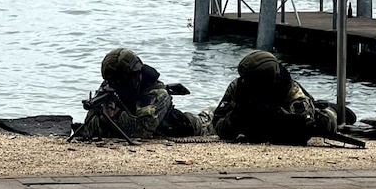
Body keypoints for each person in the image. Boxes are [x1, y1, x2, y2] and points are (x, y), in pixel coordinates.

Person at [211, 50, 354, 145]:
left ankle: (333, 109)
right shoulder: (238, 88)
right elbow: (218, 125)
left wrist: (277, 118)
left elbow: (303, 132)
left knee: (326, 121)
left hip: (301, 114)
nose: (244, 83)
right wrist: (237, 117)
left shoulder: (291, 91)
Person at [75, 48, 213, 140]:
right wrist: (102, 114)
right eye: (112, 81)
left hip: (194, 127)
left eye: (122, 81)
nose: (116, 85)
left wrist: (115, 115)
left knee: (211, 117)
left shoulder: (157, 93)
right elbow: (90, 127)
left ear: (135, 76)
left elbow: (141, 131)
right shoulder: (109, 87)